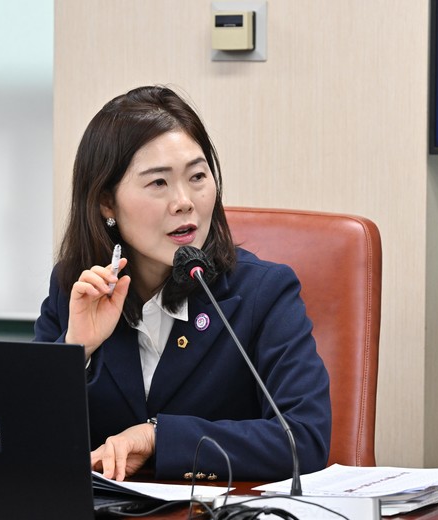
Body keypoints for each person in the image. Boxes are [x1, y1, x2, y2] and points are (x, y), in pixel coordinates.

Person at [34, 85, 331, 482]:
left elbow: (304, 441)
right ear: (106, 202)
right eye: (159, 183)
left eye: (197, 176)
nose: (184, 201)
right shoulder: (77, 289)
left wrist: (159, 438)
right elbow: (25, 439)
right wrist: (76, 348)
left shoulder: (263, 294)